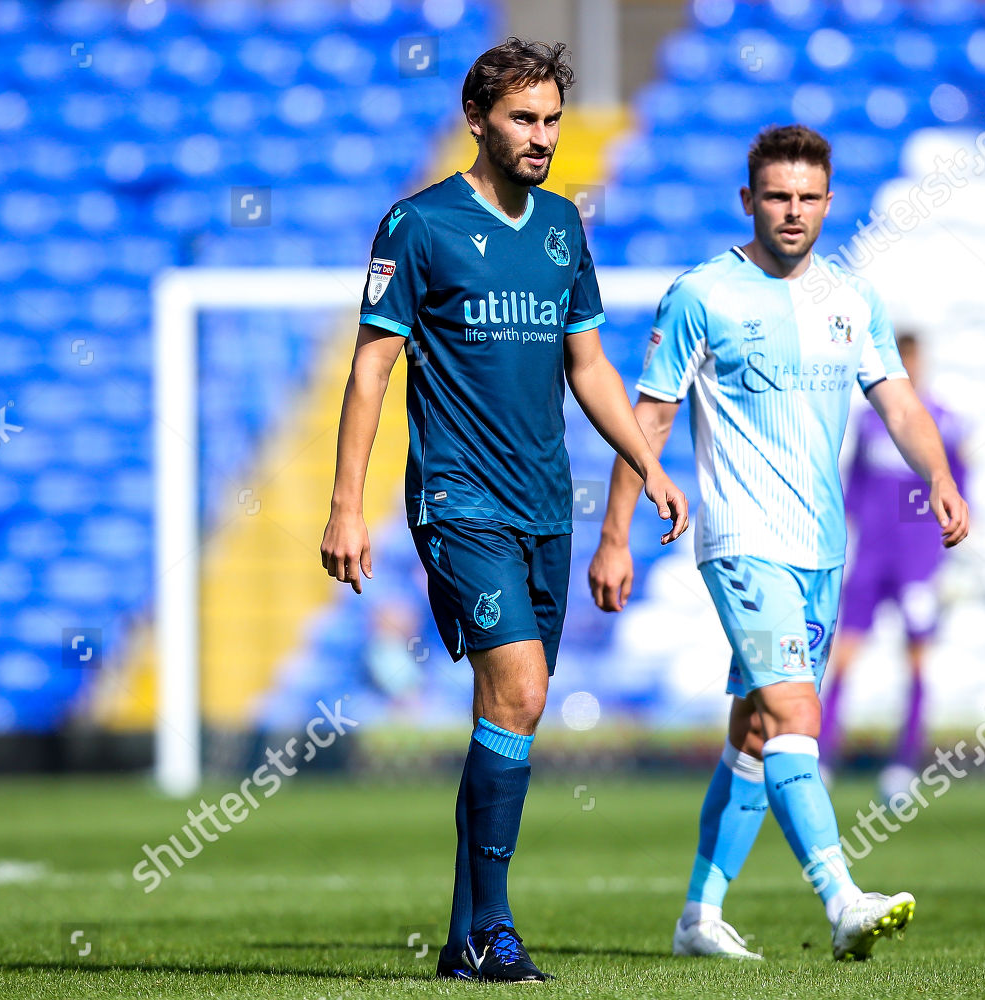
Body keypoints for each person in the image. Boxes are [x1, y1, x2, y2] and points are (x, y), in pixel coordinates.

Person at [319, 38, 688, 983]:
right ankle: (495, 928)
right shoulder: (418, 226)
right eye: (524, 119)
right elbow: (371, 369)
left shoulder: (564, 226)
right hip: (458, 500)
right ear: (478, 120)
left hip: (544, 508)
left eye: (554, 120)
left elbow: (591, 367)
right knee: (519, 688)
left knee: (510, 714)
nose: (543, 137)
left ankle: (463, 939)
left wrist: (647, 462)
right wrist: (346, 507)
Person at [588, 125, 968, 963]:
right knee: (799, 710)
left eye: (807, 198)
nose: (792, 213)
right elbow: (646, 420)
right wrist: (615, 535)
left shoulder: (851, 299)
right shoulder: (702, 296)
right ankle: (842, 900)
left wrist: (937, 474)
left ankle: (699, 916)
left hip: (821, 550)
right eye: (776, 196)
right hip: (741, 544)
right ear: (748, 201)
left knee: (758, 733)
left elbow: (899, 402)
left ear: (829, 203)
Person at [819, 333, 968, 804]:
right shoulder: (868, 423)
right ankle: (822, 761)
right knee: (842, 658)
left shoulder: (945, 423)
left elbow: (959, 488)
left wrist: (946, 553)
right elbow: (852, 489)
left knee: (917, 660)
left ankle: (903, 765)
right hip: (871, 558)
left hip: (918, 563)